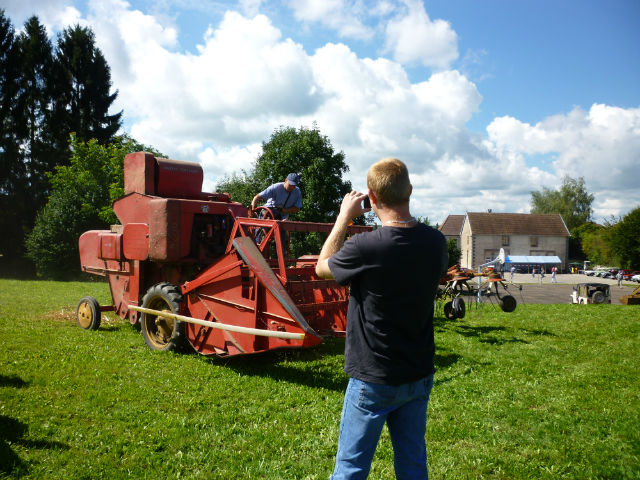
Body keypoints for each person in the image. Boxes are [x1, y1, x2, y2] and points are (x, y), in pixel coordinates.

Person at [315, 157, 448, 479]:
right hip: (417, 372)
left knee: (351, 468)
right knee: (413, 463)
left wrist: (343, 217)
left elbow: (322, 267)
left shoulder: (365, 246)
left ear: (372, 198)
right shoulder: (435, 241)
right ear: (410, 191)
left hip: (373, 376)